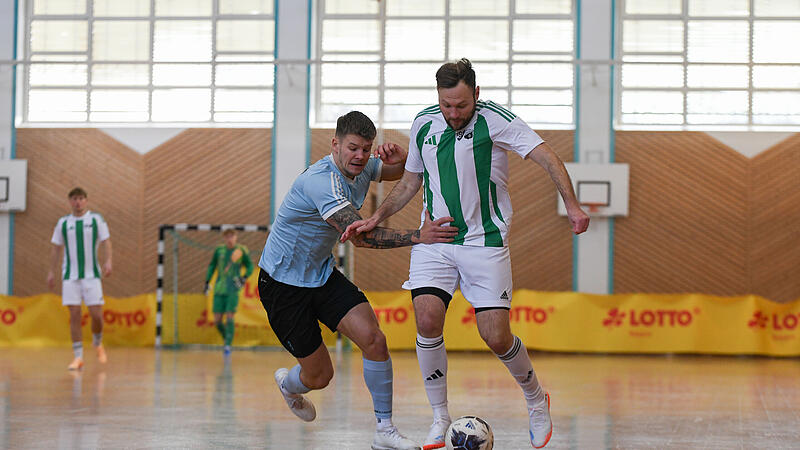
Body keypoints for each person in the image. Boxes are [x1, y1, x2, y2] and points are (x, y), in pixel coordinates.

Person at [342, 58, 590, 449]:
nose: (454, 114)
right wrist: (377, 217)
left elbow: (547, 157)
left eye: (461, 105)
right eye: (446, 105)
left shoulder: (497, 120)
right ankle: (440, 417)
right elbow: (409, 183)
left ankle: (535, 398)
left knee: (495, 335)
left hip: (485, 240)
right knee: (426, 318)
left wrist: (573, 206)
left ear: (476, 93)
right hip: (436, 239)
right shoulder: (424, 123)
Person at [258, 111, 458, 450]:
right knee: (320, 377)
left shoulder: (363, 166)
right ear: (335, 144)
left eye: (367, 149)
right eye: (352, 148)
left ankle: (385, 431)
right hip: (283, 286)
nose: (360, 157)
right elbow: (361, 237)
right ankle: (290, 385)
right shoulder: (321, 182)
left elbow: (409, 173)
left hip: (321, 274)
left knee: (374, 340)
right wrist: (419, 236)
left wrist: (405, 156)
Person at [47, 187, 113, 371]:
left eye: (81, 198)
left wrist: (108, 261)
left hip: (92, 276)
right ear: (70, 201)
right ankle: (78, 357)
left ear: (86, 200)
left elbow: (107, 241)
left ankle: (97, 342)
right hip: (70, 276)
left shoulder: (96, 220)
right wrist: (51, 272)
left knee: (96, 316)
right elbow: (56, 248)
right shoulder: (63, 223)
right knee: (74, 315)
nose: (78, 202)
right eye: (74, 199)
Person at [204, 228, 254, 355]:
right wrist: (207, 281)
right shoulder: (219, 250)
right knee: (217, 320)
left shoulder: (241, 250)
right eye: (227, 236)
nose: (230, 238)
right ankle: (227, 337)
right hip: (219, 289)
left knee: (230, 316)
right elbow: (212, 265)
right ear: (224, 238)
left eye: (232, 236)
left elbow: (250, 265)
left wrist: (244, 277)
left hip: (233, 289)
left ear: (236, 237)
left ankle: (227, 345)